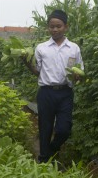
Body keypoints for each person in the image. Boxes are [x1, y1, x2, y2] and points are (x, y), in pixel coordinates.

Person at [24, 10, 83, 164]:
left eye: (58, 26)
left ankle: (51, 151)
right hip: (46, 93)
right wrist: (27, 64)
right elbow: (38, 71)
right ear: (48, 28)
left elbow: (79, 72)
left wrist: (77, 77)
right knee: (45, 128)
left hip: (65, 93)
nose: (55, 29)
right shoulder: (41, 48)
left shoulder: (73, 48)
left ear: (66, 27)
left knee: (64, 129)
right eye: (52, 26)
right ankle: (44, 161)